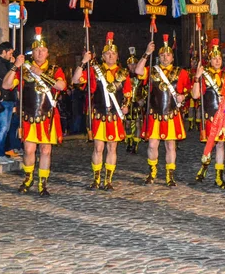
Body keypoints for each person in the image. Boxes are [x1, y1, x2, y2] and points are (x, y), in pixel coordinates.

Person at [2, 27, 67, 196]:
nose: (39, 53)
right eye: (37, 50)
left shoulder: (55, 69)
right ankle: (28, 177)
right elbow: (6, 85)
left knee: (46, 151)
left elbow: (61, 86)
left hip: (48, 117)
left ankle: (42, 182)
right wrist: (15, 66)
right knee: (29, 150)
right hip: (29, 116)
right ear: (33, 52)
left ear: (47, 53)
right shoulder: (24, 70)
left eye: (43, 50)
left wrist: (42, 75)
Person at [72, 32, 132, 190]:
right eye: (107, 54)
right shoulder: (94, 71)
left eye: (113, 54)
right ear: (103, 56)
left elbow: (127, 94)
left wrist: (126, 106)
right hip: (99, 114)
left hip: (115, 115)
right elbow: (75, 80)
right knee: (98, 147)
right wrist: (83, 63)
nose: (110, 56)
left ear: (117, 56)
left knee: (112, 147)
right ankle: (96, 179)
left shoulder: (123, 73)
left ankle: (108, 180)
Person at [135, 34, 190, 186]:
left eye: (168, 55)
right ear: (158, 57)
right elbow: (138, 71)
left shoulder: (181, 72)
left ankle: (169, 175)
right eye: (162, 55)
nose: (165, 57)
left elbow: (188, 90)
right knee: (152, 145)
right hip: (154, 113)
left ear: (172, 57)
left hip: (171, 114)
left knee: (170, 145)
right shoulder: (152, 70)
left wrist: (182, 96)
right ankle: (152, 172)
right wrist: (147, 53)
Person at [192, 38, 225, 189]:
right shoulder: (204, 76)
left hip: (224, 117)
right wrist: (197, 77)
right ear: (209, 60)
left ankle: (218, 177)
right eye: (214, 58)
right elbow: (195, 96)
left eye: (219, 58)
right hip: (211, 117)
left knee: (221, 145)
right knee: (210, 144)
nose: (217, 61)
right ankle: (204, 167)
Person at [124, 47, 145, 154]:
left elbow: (148, 89)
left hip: (138, 102)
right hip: (127, 103)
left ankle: (135, 145)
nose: (132, 66)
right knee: (127, 124)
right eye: (130, 64)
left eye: (134, 64)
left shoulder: (141, 75)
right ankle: (129, 142)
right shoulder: (123, 75)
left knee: (138, 124)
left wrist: (143, 100)